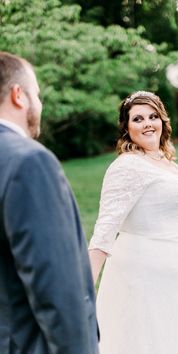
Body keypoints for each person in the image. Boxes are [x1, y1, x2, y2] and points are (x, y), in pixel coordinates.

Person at [88, 91, 178, 354]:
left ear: (163, 121)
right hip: (146, 274)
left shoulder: (165, 160)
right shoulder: (127, 167)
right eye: (138, 118)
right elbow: (105, 229)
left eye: (153, 116)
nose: (147, 123)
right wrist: (84, 287)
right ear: (127, 127)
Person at [0, 52, 98, 354]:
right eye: (37, 94)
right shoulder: (28, 161)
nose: (39, 104)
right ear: (19, 95)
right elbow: (56, 290)